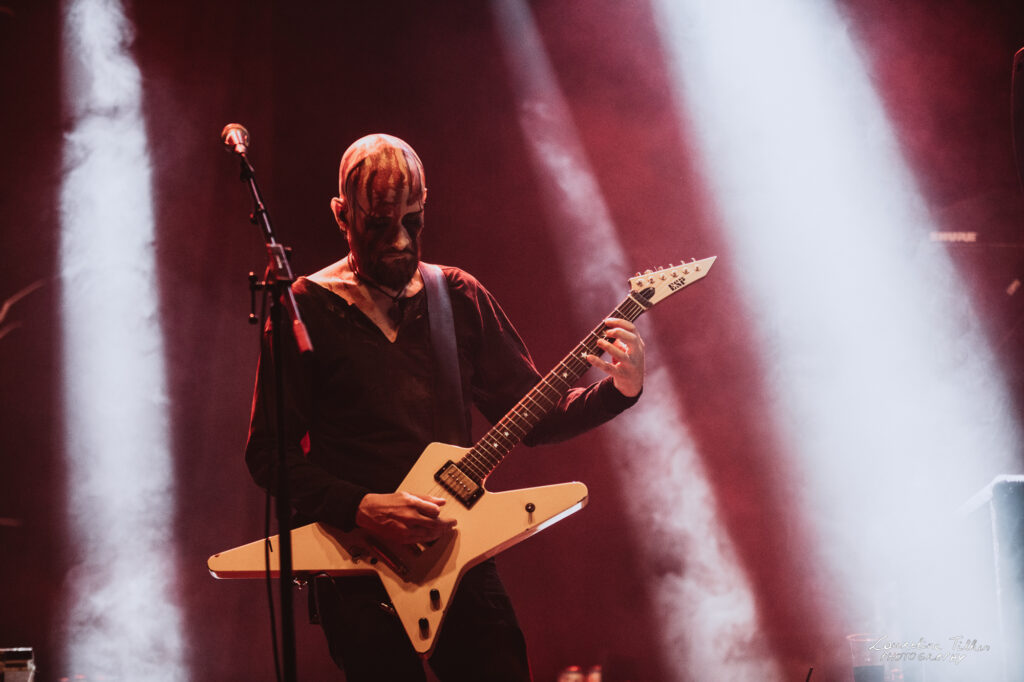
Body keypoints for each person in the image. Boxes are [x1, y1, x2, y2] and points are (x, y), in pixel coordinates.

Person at [244, 133, 645, 681]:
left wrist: (619, 391)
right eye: (378, 225)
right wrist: (361, 506)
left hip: (460, 553)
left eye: (412, 222)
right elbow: (269, 454)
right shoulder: (303, 310)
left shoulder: (456, 295)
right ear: (341, 215)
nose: (399, 241)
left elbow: (537, 418)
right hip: (358, 571)